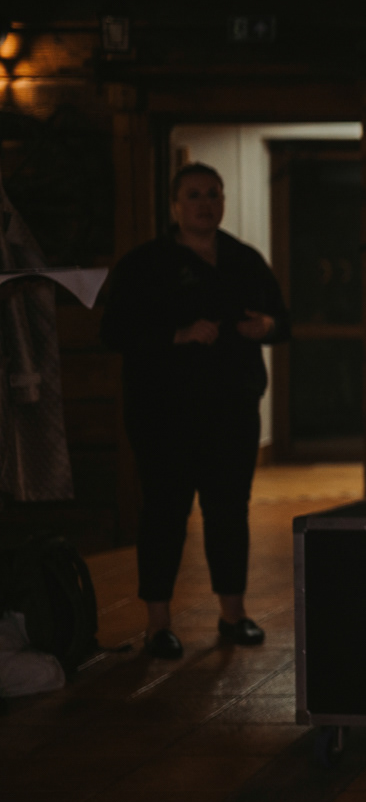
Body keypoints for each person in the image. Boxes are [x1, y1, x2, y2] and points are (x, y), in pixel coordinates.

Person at [101, 163, 291, 660]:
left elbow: (282, 319)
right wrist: (176, 335)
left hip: (233, 408)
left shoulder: (244, 259)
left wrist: (266, 326)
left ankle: (233, 613)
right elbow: (114, 331)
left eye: (213, 194)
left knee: (229, 509)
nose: (205, 204)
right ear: (174, 205)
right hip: (164, 413)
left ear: (223, 201)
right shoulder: (145, 264)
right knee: (165, 511)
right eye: (194, 195)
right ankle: (158, 623)